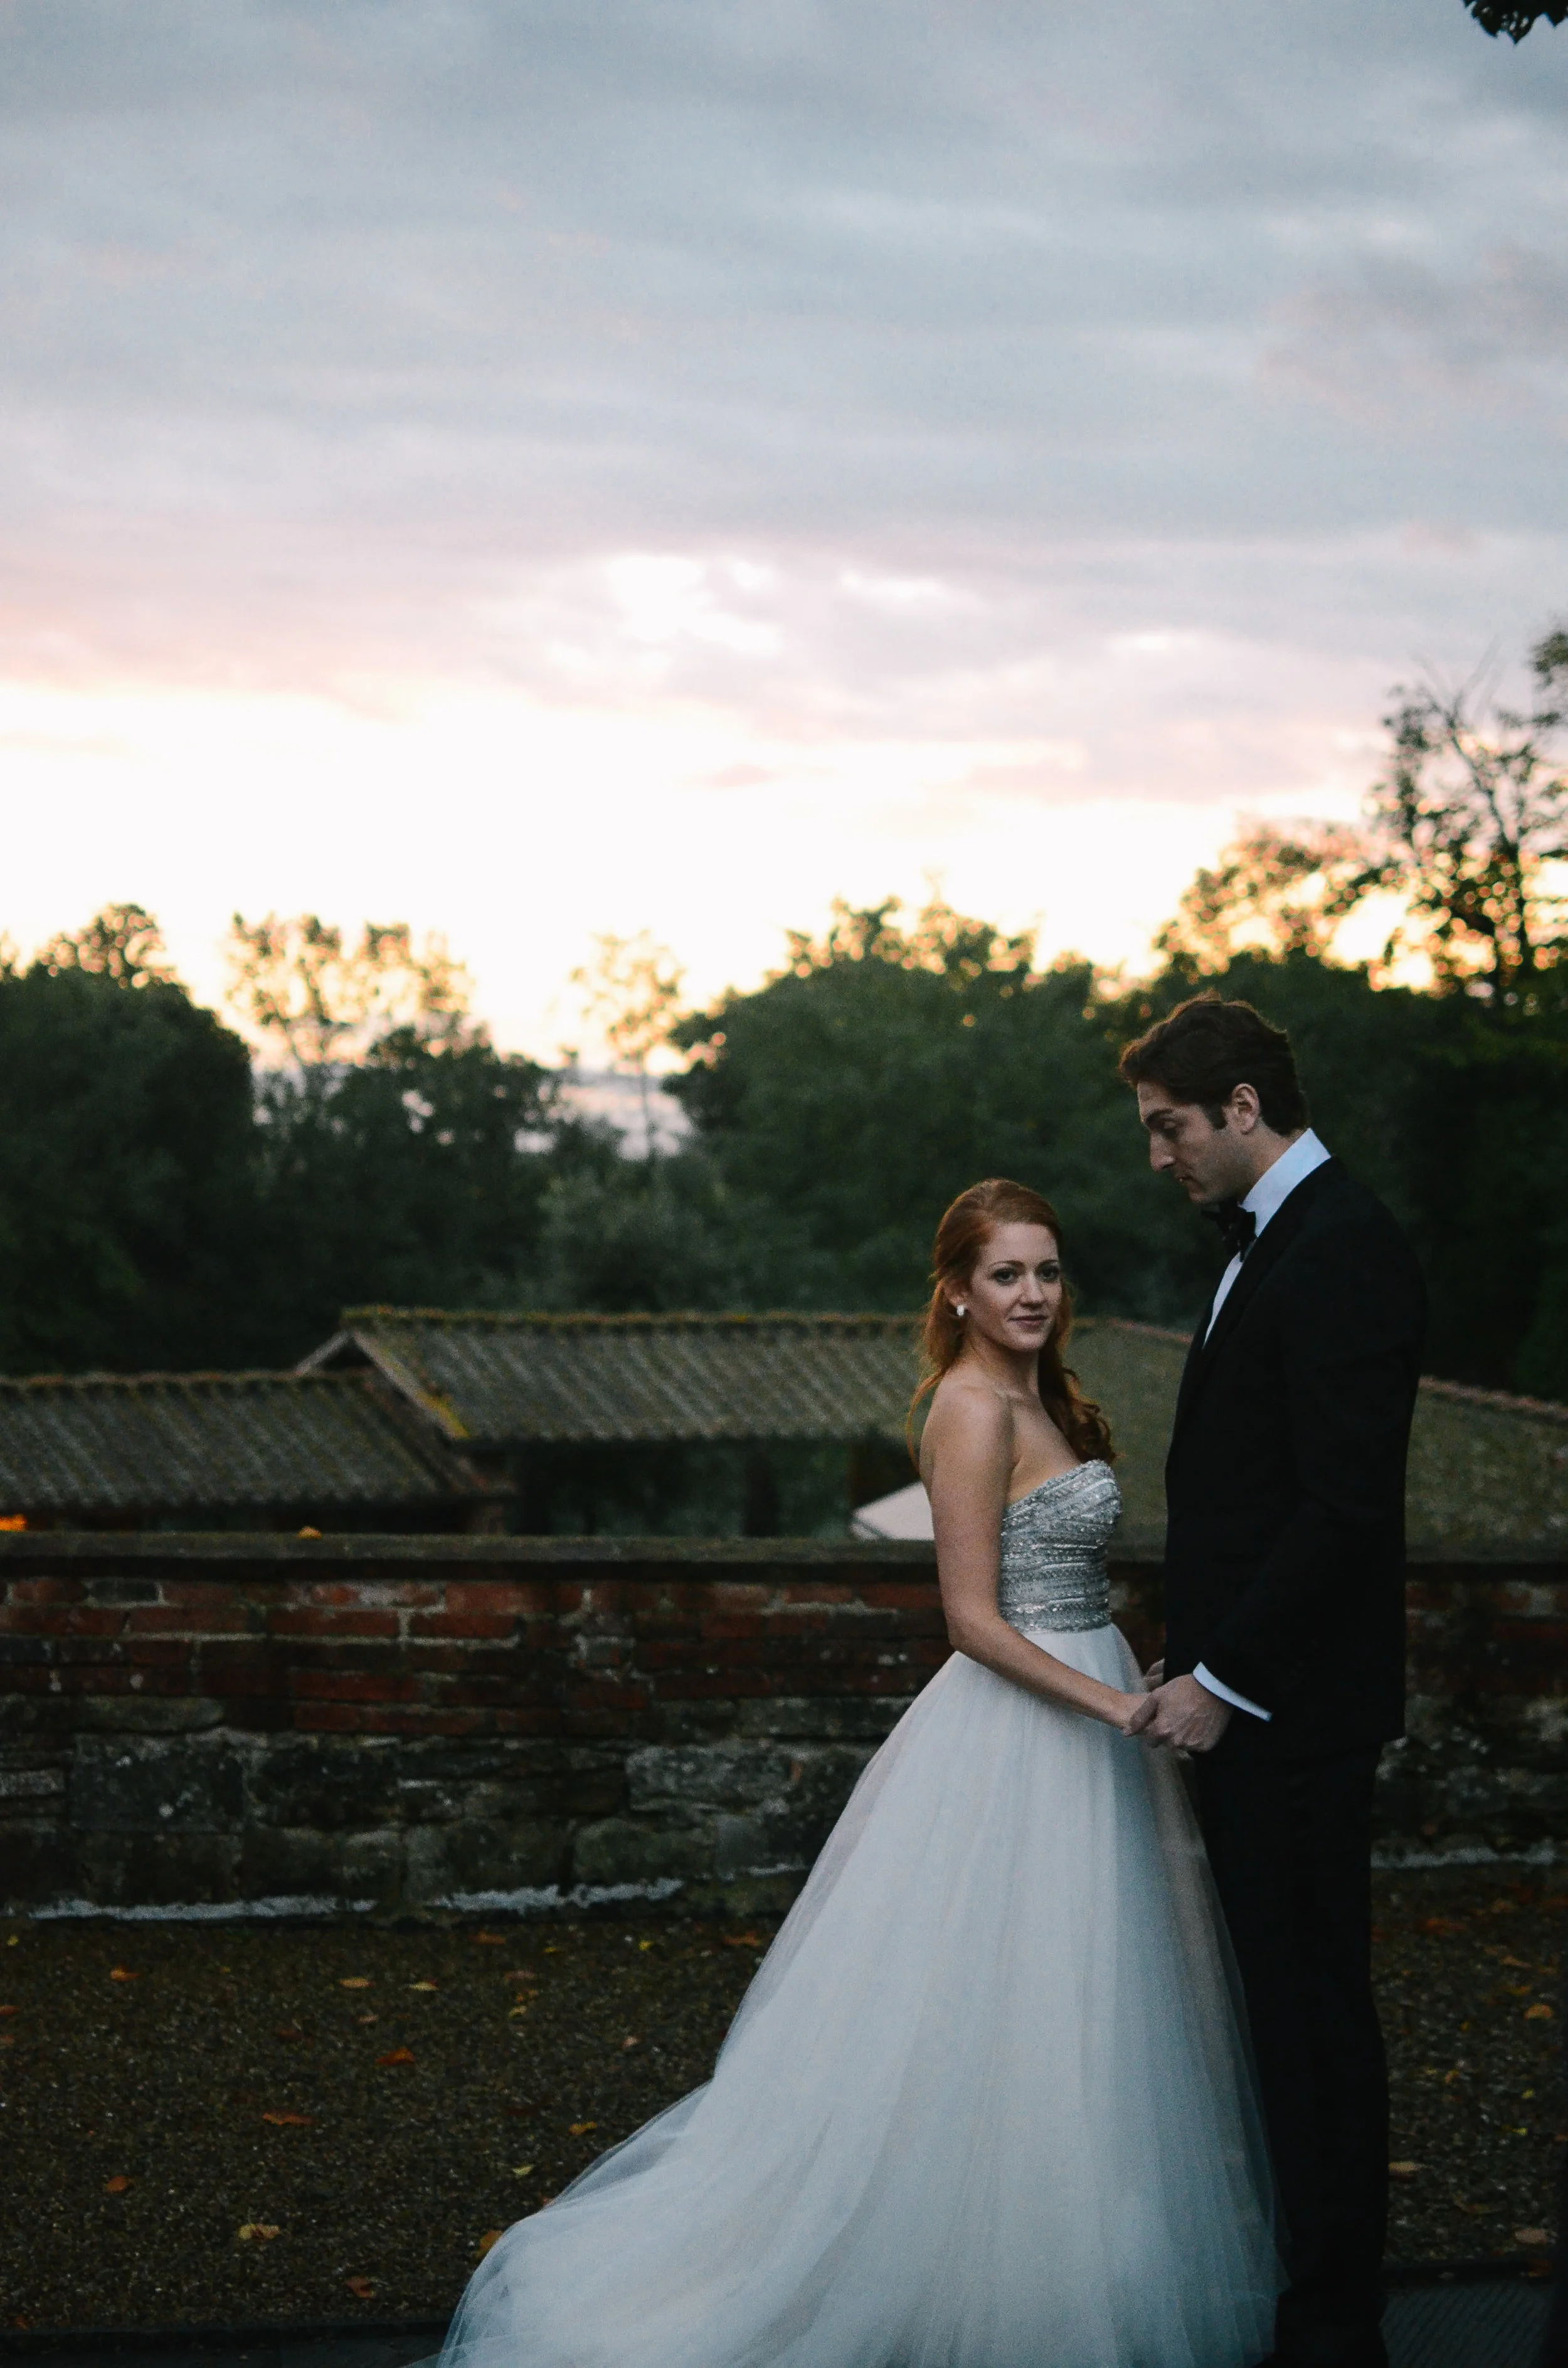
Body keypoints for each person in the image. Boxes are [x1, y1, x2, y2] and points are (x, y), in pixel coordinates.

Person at [432, 1178, 1277, 2368]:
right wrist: (1119, 1704)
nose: (1031, 1292)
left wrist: (1126, 1667)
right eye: (1005, 1274)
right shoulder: (971, 1408)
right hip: (1028, 1728)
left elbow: (1065, 1580)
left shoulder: (1047, 1397)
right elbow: (972, 1620)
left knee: (1077, 2002)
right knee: (993, 2002)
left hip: (1092, 1707)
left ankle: (1055, 2264)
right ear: (957, 1290)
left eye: (1045, 1270)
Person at [1120, 996, 1426, 2368]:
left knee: (1310, 2014)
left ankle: (1333, 2318)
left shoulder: (1345, 1246)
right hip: (1246, 1699)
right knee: (1278, 2008)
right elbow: (1242, 1496)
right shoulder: (1266, 1241)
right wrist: (1184, 1644)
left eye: (1167, 1128)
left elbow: (1340, 1507)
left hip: (1290, 1717)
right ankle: (1307, 2282)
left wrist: (1224, 1678)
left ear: (1240, 1107)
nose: (1157, 1156)